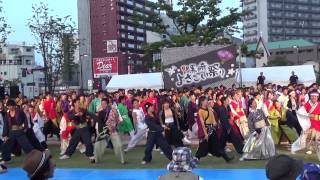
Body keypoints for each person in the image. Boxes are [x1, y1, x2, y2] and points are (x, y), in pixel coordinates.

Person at [195, 96, 233, 162]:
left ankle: (226, 158)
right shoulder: (200, 111)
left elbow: (213, 119)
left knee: (217, 146)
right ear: (202, 102)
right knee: (203, 148)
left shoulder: (209, 109)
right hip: (206, 131)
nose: (207, 101)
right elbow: (202, 124)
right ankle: (195, 159)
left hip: (212, 130)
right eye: (206, 100)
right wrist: (205, 134)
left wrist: (215, 124)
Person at [106, 98, 126, 164]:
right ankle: (94, 157)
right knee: (98, 146)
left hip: (112, 130)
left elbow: (119, 120)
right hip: (103, 130)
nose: (110, 104)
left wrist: (116, 125)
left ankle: (122, 160)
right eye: (109, 103)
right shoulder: (100, 110)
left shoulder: (115, 110)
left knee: (119, 145)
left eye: (110, 103)